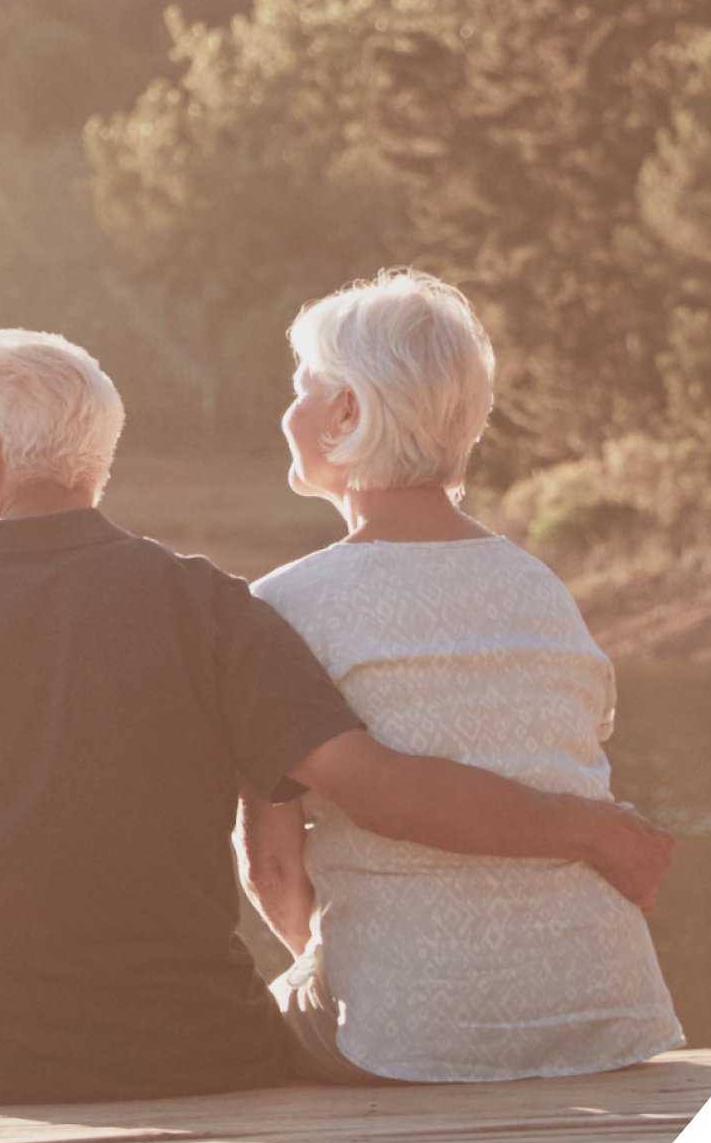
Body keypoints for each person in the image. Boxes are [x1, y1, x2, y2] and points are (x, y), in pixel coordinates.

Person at [0, 326, 673, 1107]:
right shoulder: (212, 607)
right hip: (200, 1050)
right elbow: (353, 793)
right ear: (96, 462)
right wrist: (589, 829)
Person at [236, 272, 685, 1083]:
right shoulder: (541, 588)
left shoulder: (282, 607)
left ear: (347, 413)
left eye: (302, 388)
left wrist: (345, 971)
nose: (288, 412)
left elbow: (270, 871)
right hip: (606, 1015)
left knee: (248, 1032)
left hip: (407, 1037)